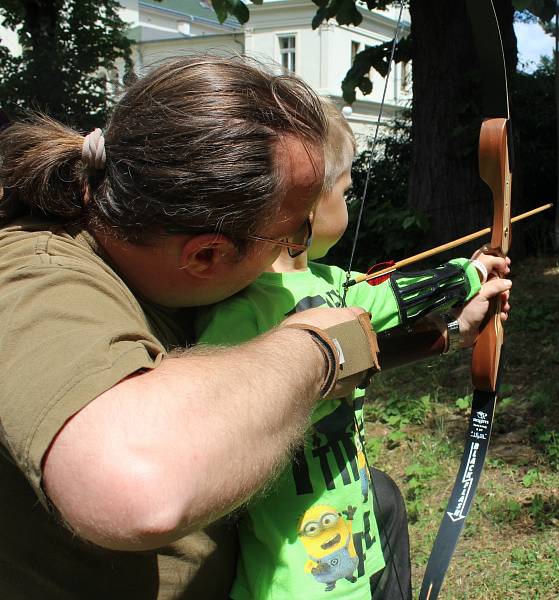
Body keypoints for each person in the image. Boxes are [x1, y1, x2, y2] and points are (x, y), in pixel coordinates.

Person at [0, 56, 384, 599]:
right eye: (293, 235)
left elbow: (234, 368)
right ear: (206, 255)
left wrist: (441, 330)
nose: (300, 248)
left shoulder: (163, 266)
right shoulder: (33, 278)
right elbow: (135, 487)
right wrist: (323, 350)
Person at [195, 101, 512, 600]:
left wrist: (458, 326)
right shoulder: (242, 309)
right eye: (345, 190)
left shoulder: (330, 280)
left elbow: (376, 327)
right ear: (308, 202)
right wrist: (469, 275)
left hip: (348, 522)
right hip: (294, 569)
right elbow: (387, 301)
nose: (350, 198)